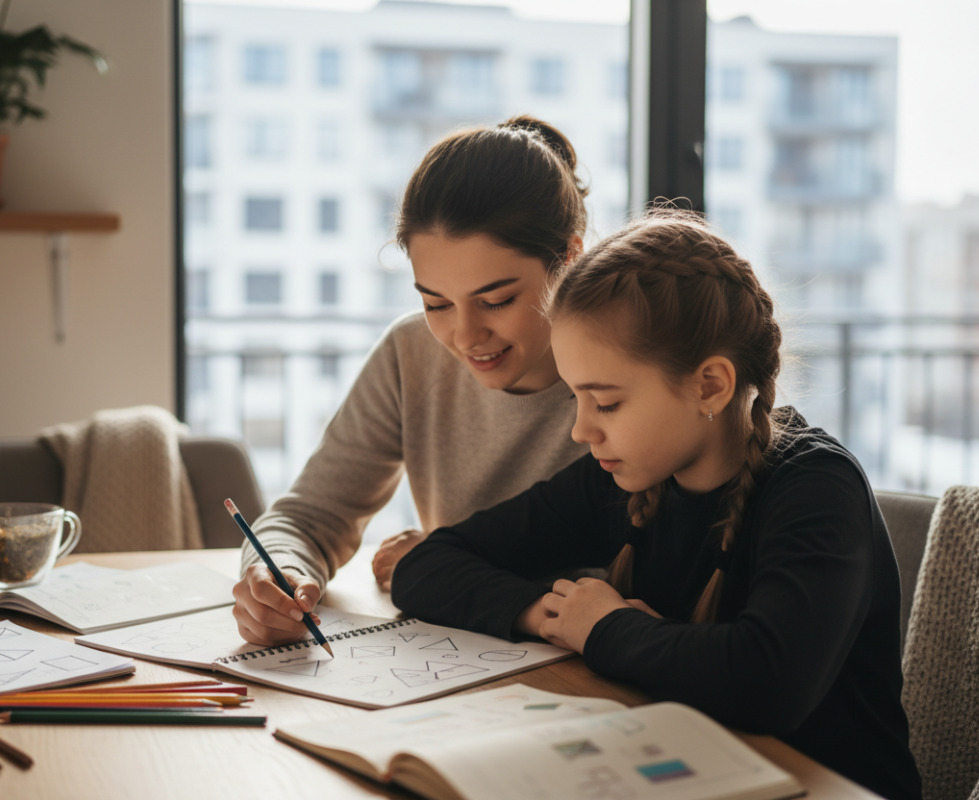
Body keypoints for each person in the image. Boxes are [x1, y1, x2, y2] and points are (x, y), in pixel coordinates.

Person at [390, 209, 922, 800]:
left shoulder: (816, 488)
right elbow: (428, 566)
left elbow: (767, 682)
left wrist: (606, 628)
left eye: (607, 403)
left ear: (710, 386)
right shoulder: (625, 480)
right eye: (576, 398)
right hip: (688, 771)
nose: (580, 431)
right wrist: (549, 614)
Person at [232, 115, 591, 647]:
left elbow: (635, 574)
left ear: (568, 257)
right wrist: (277, 573)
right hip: (463, 661)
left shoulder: (624, 367)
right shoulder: (412, 352)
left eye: (496, 300)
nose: (466, 335)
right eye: (435, 303)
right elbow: (311, 515)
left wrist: (443, 564)